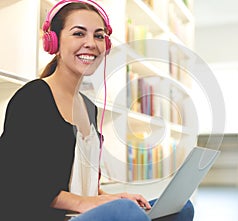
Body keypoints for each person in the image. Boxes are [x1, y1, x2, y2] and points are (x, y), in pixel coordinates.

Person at [0, 1, 194, 221]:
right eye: (78, 34)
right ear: (53, 41)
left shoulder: (89, 106)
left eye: (99, 36)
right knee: (127, 213)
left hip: (79, 214)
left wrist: (112, 197)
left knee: (181, 207)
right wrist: (91, 203)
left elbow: (79, 182)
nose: (90, 43)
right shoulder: (34, 98)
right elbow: (15, 183)